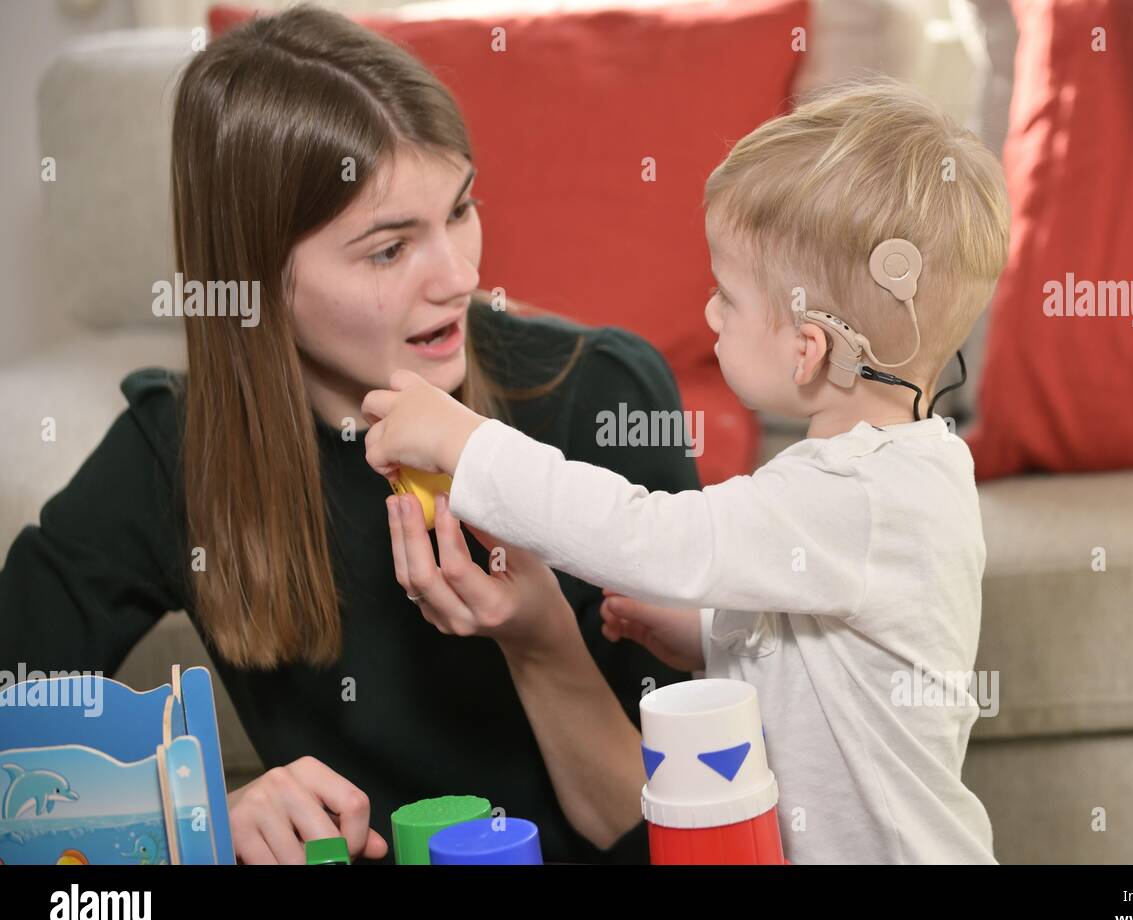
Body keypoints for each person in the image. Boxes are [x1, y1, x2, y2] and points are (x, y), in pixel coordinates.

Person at [0, 5, 699, 864]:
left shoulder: (600, 395)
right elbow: (16, 729)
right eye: (388, 249)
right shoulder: (169, 455)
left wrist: (541, 638)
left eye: (462, 208)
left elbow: (689, 825)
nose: (461, 275)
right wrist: (200, 809)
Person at [361, 78, 1011, 863]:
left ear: (807, 350)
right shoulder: (891, 471)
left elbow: (651, 534)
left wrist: (468, 443)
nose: (708, 314)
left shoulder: (860, 494)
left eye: (726, 298)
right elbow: (825, 638)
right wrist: (711, 633)